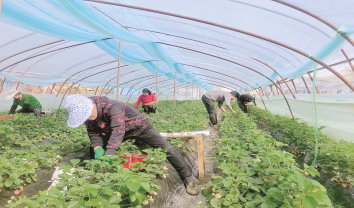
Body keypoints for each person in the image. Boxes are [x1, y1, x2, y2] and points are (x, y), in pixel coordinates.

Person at [64, 95, 199, 195]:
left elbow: (118, 130)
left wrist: (110, 153)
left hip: (140, 127)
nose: (86, 119)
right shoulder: (89, 117)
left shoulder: (113, 106)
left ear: (90, 106)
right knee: (93, 151)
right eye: (84, 118)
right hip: (119, 133)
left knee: (166, 148)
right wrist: (98, 148)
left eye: (86, 115)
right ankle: (100, 178)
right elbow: (93, 133)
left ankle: (188, 177)